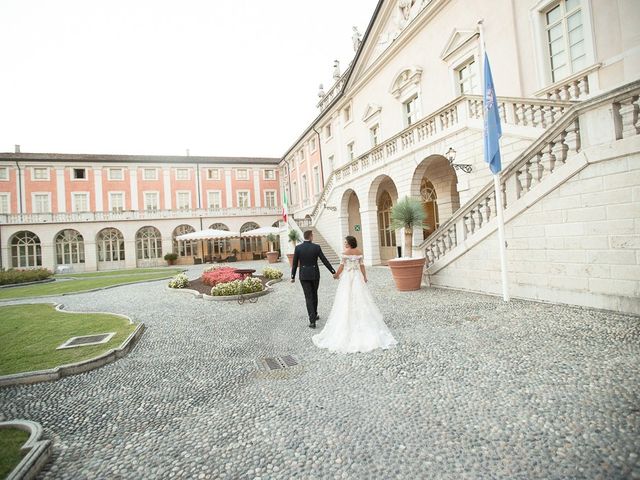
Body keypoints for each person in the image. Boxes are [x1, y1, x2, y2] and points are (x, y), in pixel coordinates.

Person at [312, 236, 397, 353]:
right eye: (344, 242)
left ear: (350, 243)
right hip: (357, 276)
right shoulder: (359, 252)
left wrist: (336, 275)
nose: (345, 244)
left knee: (345, 298)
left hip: (347, 277)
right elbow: (361, 266)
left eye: (346, 242)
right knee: (360, 298)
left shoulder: (345, 253)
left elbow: (342, 266)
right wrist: (365, 277)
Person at [291, 230, 336, 328]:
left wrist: (292, 276)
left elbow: (294, 263)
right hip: (315, 274)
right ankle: (314, 315)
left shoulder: (298, 248)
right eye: (312, 236)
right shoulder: (316, 247)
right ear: (311, 236)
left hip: (303, 275)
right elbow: (324, 260)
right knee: (314, 294)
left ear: (304, 237)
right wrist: (333, 271)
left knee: (308, 297)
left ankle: (312, 320)